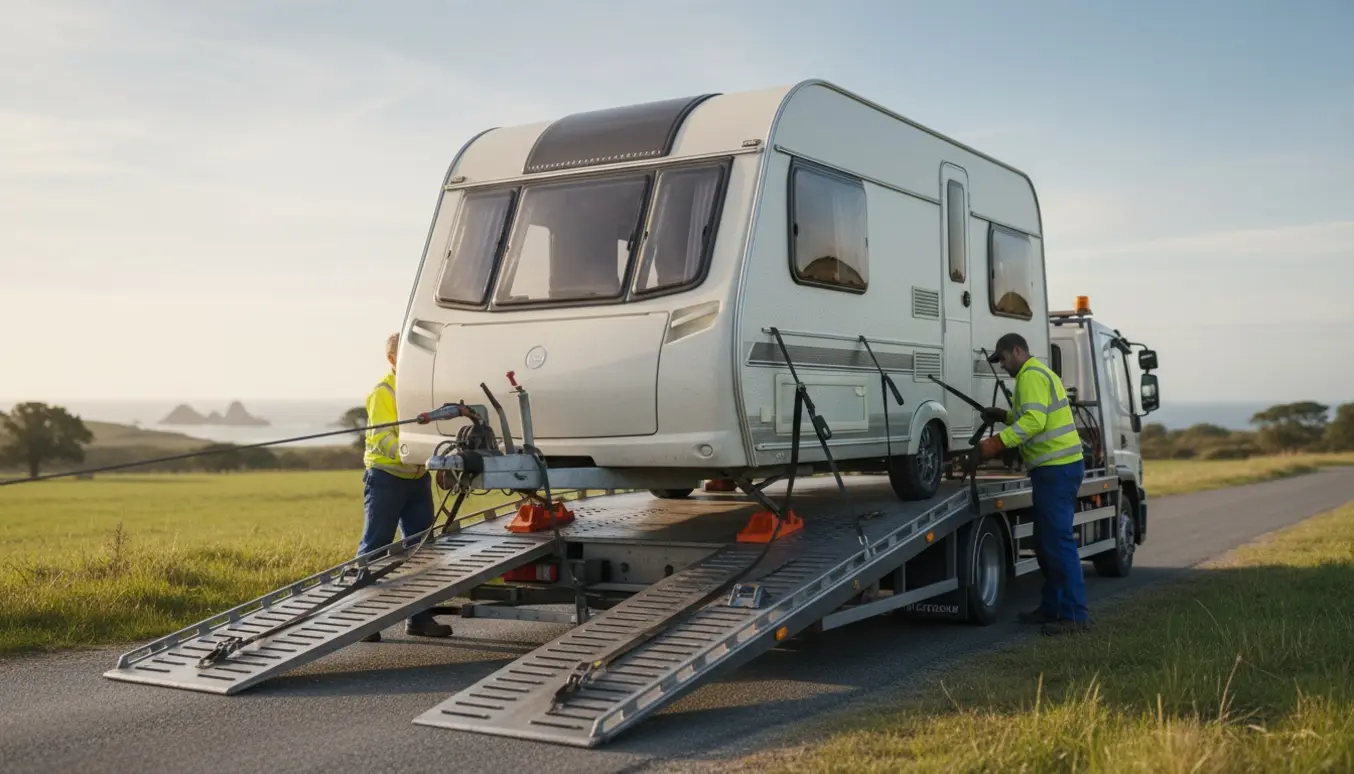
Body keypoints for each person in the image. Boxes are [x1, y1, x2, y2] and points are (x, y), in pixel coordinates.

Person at [976, 332, 1089, 636]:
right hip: (1054, 469)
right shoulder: (1036, 374)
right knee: (1045, 542)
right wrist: (1004, 415)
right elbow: (1029, 416)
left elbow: (1034, 423)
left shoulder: (1030, 376)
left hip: (1057, 469)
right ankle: (1052, 608)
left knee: (1058, 542)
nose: (1001, 366)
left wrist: (996, 443)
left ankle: (1075, 616)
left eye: (1002, 358)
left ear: (1016, 351)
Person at [357, 333, 453, 641]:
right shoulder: (383, 392)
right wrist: (417, 453)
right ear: (392, 359)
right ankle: (365, 621)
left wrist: (436, 461)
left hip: (416, 479)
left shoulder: (420, 390)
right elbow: (382, 440)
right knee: (376, 547)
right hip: (386, 479)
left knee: (423, 549)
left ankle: (419, 618)